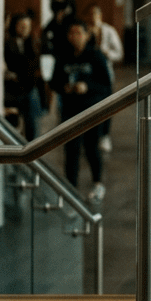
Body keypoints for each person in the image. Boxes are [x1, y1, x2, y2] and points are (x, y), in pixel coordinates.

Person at [51, 19, 113, 203]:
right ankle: (71, 188)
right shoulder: (63, 56)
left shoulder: (95, 55)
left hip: (91, 110)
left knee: (92, 148)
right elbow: (54, 82)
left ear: (87, 35)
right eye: (71, 33)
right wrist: (65, 88)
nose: (75, 37)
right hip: (70, 109)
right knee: (71, 150)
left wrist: (87, 87)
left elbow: (106, 85)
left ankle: (97, 183)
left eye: (79, 33)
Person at [86, 5, 123, 153]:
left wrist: (107, 53)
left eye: (96, 13)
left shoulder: (108, 31)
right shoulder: (84, 30)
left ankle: (105, 135)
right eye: (90, 14)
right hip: (88, 73)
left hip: (104, 72)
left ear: (100, 15)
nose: (93, 17)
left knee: (106, 105)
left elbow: (119, 53)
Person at [3, 13, 43, 141]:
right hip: (13, 90)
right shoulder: (8, 43)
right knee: (11, 128)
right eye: (22, 26)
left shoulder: (35, 42)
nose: (25, 28)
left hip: (30, 87)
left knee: (33, 126)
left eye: (28, 26)